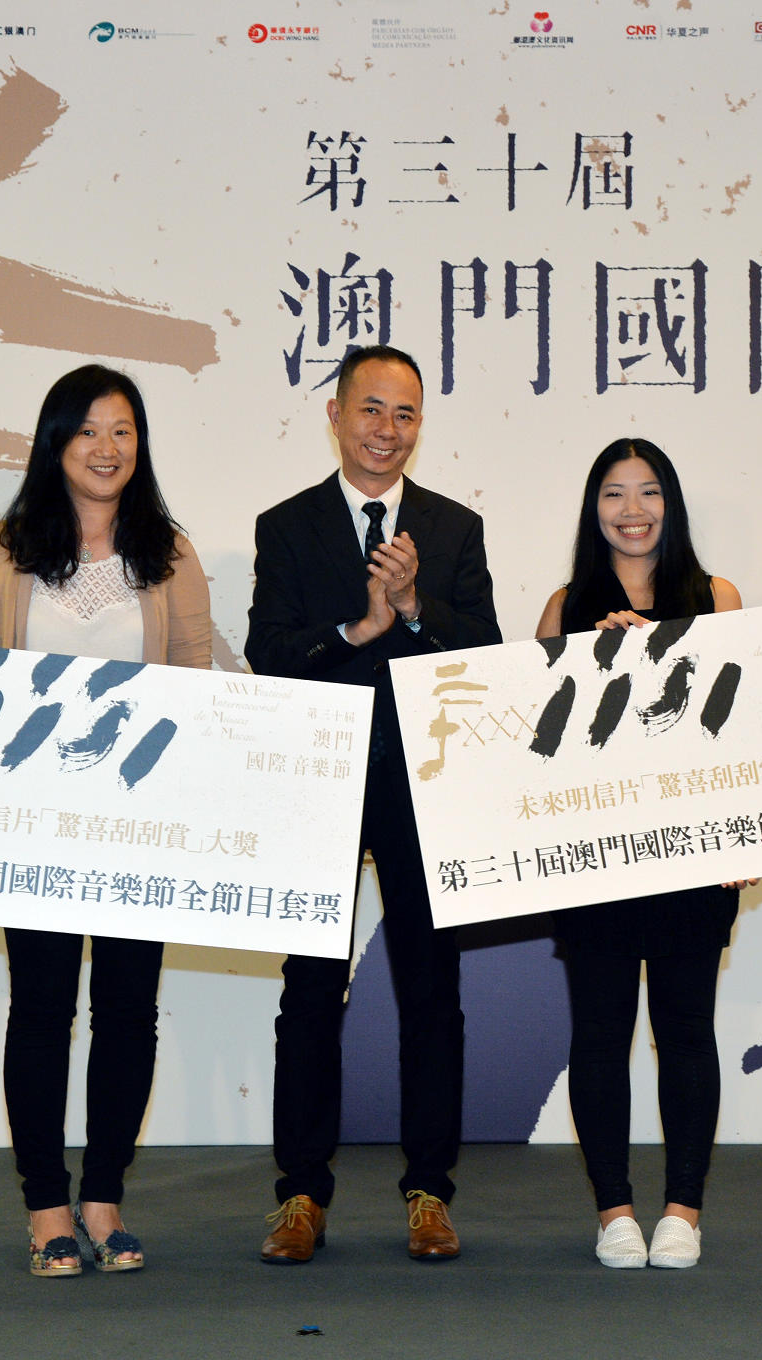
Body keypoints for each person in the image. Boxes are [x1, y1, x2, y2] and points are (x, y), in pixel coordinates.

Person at [0, 365, 213, 1277]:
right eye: (88, 432)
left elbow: (198, 683)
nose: (107, 449)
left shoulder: (169, 553)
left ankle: (104, 1199)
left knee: (129, 1012)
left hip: (140, 822)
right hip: (32, 823)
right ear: (56, 443)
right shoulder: (5, 546)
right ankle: (46, 1208)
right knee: (40, 1008)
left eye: (123, 432)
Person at [245, 345, 500, 1263]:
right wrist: (360, 627)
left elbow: (486, 652)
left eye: (406, 414)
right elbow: (268, 653)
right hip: (318, 781)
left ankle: (430, 1192)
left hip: (426, 787)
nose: (387, 430)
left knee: (432, 990)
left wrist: (417, 604)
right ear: (336, 413)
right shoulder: (288, 526)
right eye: (371, 409)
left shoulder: (454, 528)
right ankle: (300, 1195)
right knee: (312, 990)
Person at [534, 438, 751, 1271]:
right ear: (593, 509)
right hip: (596, 857)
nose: (633, 511)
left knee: (686, 1031)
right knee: (600, 1034)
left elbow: (742, 729)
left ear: (672, 504)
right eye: (615, 494)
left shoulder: (717, 597)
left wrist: (747, 832)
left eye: (650, 491)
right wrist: (599, 662)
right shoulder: (565, 606)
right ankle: (615, 1212)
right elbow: (540, 745)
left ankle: (684, 1211)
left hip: (693, 854)